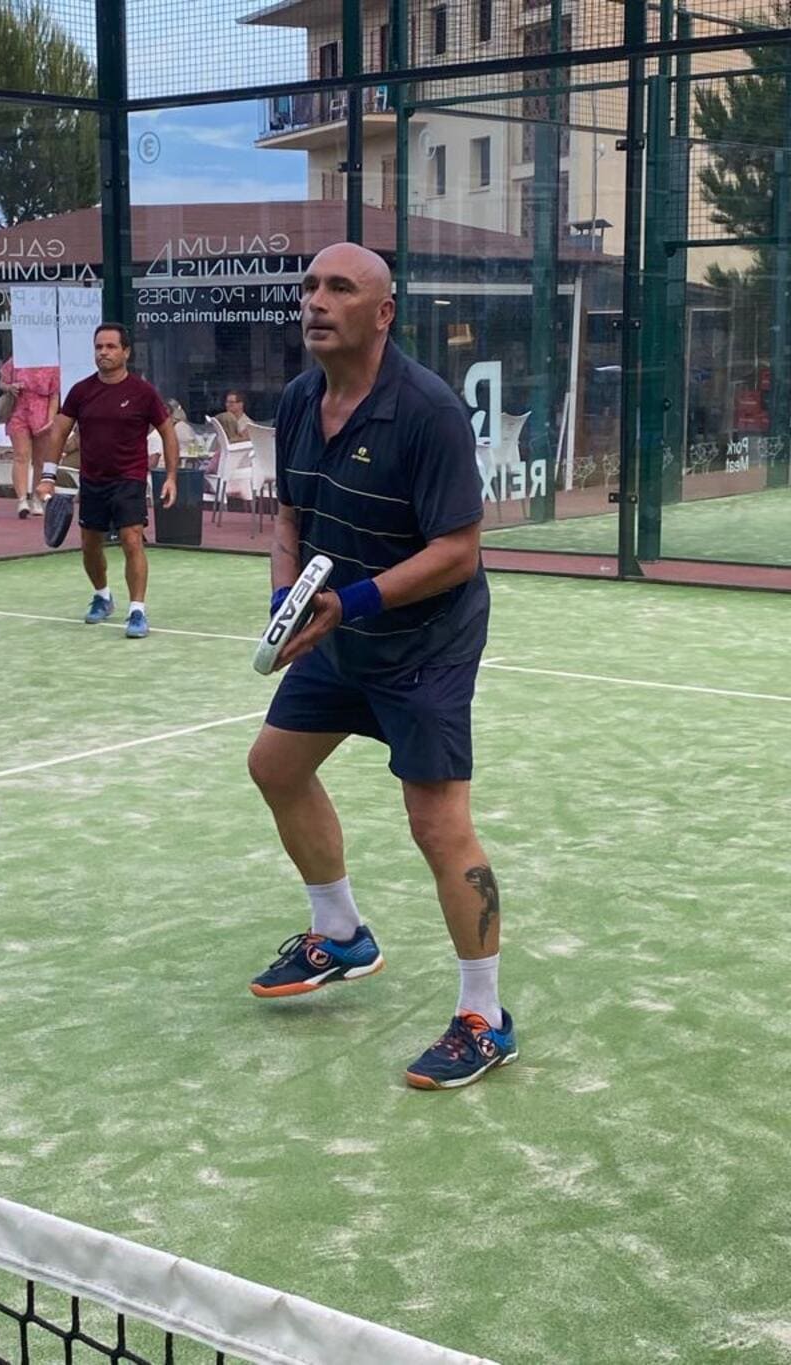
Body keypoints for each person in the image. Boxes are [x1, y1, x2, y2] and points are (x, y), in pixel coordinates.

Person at [246, 242, 516, 1092]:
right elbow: (291, 514)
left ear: (383, 313)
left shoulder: (428, 411)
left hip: (425, 645)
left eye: (339, 288)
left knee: (437, 824)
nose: (315, 302)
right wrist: (287, 599)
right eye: (310, 287)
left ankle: (486, 1016)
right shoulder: (298, 402)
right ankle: (342, 934)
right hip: (338, 629)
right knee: (274, 765)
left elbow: (459, 552)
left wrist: (348, 606)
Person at [35, 323, 178, 639]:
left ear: (126, 352)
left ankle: (137, 610)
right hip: (92, 481)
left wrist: (170, 476)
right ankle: (102, 596)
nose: (104, 352)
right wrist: (47, 476)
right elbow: (59, 431)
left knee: (131, 539)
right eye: (99, 347)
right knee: (89, 545)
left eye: (111, 347)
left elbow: (168, 432)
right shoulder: (81, 391)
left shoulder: (143, 392)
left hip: (129, 479)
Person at [0, 354, 60, 519]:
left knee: (40, 459)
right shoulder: (16, 360)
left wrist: (50, 419)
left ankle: (36, 498)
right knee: (21, 455)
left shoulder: (52, 364)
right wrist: (10, 387)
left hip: (41, 412)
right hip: (19, 411)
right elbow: (2, 382)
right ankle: (21, 499)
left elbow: (54, 394)